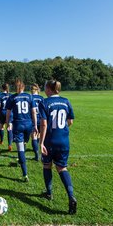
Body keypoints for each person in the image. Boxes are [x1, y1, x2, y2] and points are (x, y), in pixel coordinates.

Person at [38, 80, 77, 215]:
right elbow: (70, 121)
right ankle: (71, 195)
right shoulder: (66, 101)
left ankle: (49, 193)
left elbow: (43, 124)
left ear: (49, 89)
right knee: (62, 168)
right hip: (63, 141)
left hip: (50, 141)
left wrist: (41, 142)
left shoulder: (44, 102)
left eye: (45, 88)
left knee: (47, 165)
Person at [5, 79, 37, 182]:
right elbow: (33, 113)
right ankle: (22, 158)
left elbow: (8, 113)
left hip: (18, 124)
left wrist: (7, 123)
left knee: (20, 149)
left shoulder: (12, 97)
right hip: (28, 124)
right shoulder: (29, 96)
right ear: (23, 87)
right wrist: (35, 125)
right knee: (24, 143)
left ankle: (25, 174)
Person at [0, 83, 13, 151]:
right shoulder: (11, 95)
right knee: (9, 128)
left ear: (2, 88)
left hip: (2, 113)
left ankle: (1, 140)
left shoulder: (0, 95)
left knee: (1, 127)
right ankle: (10, 144)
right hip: (10, 113)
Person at [30, 83, 44, 161]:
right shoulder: (41, 98)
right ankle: (40, 154)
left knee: (34, 137)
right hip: (41, 119)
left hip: (33, 119)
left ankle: (36, 155)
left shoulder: (29, 97)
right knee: (38, 136)